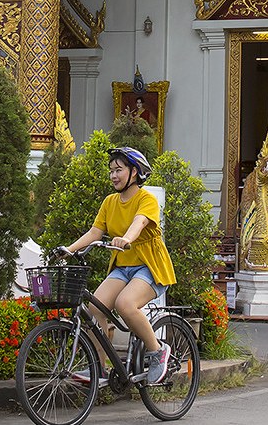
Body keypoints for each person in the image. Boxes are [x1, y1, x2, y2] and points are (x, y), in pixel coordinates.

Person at [53, 145, 176, 385]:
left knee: (125, 304)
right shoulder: (110, 202)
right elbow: (95, 232)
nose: (113, 175)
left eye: (118, 170)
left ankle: (158, 351)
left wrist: (126, 238)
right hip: (123, 268)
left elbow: (139, 223)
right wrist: (68, 250)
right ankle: (99, 368)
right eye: (111, 171)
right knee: (94, 308)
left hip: (149, 267)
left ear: (134, 172)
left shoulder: (146, 199)